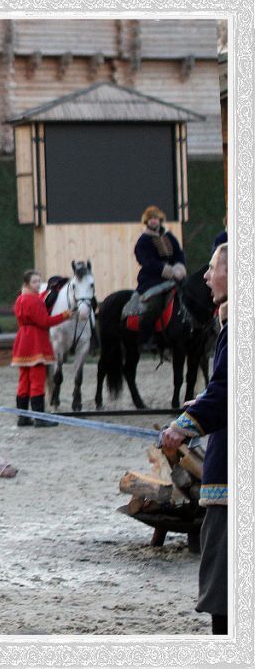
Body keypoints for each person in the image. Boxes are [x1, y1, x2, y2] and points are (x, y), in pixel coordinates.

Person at [159, 243, 228, 636]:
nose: (205, 276)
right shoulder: (149, 242)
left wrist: (183, 425)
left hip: (231, 481)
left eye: (214, 268)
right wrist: (204, 400)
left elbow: (228, 392)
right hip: (157, 279)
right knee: (149, 301)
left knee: (227, 591)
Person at [10, 270, 75, 427]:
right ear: (26, 284)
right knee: (37, 380)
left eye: (39, 281)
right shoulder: (34, 301)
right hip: (35, 342)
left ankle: (23, 417)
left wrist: (48, 292)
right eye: (34, 282)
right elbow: (45, 321)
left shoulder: (20, 299)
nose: (38, 284)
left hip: (22, 340)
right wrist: (66, 315)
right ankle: (39, 418)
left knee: (23, 381)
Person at [125, 205, 186, 342]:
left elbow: (179, 254)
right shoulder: (143, 241)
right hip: (151, 280)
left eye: (156, 218)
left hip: (175, 278)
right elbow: (147, 262)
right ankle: (149, 338)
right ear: (147, 222)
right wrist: (167, 271)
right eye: (151, 219)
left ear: (160, 220)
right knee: (155, 305)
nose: (154, 221)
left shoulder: (170, 237)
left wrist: (179, 268)